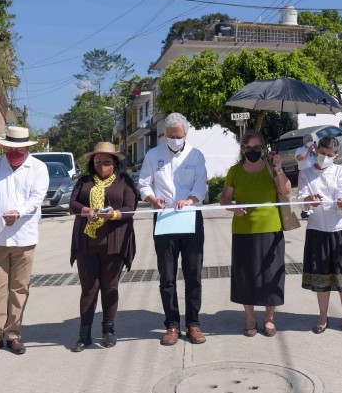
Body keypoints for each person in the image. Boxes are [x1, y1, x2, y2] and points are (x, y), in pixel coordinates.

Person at [0, 126, 49, 357]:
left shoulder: (38, 168)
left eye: (19, 148)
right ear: (5, 146)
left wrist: (18, 212)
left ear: (27, 147)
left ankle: (14, 333)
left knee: (19, 288)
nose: (14, 152)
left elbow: (37, 198)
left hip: (24, 237)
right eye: (10, 148)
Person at [138, 113, 208, 345]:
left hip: (190, 218)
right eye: (171, 136)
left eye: (179, 136)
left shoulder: (196, 155)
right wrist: (151, 199)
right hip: (164, 218)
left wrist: (189, 200)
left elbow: (201, 185)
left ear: (185, 134)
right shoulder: (153, 155)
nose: (175, 140)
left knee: (193, 275)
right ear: (164, 135)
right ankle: (172, 325)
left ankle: (193, 324)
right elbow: (144, 184)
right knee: (167, 276)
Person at [219, 130, 290, 337]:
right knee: (246, 276)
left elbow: (286, 191)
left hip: (271, 228)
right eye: (248, 148)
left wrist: (279, 169)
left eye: (257, 148)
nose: (252, 151)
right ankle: (250, 318)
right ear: (242, 149)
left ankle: (269, 319)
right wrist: (233, 209)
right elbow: (224, 198)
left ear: (264, 148)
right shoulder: (234, 171)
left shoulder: (270, 168)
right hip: (243, 230)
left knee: (271, 276)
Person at [68, 142, 138, 352]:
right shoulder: (84, 181)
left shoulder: (124, 181)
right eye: (98, 161)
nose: (102, 166)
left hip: (114, 241)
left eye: (107, 162)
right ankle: (85, 333)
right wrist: (86, 209)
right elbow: (72, 204)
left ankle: (108, 329)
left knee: (110, 287)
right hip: (86, 242)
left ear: (115, 163)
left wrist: (114, 214)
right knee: (89, 289)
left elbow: (130, 208)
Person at [299, 137, 342, 334]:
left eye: (329, 155)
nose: (325, 158)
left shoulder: (341, 171)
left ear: (336, 156)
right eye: (322, 153)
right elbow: (302, 196)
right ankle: (322, 316)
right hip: (317, 228)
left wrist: (341, 201)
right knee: (322, 277)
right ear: (315, 151)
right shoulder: (305, 173)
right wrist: (309, 199)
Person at [295, 133, 316, 220]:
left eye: (311, 140)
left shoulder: (314, 151)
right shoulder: (300, 149)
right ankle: (305, 211)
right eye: (308, 141)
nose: (309, 142)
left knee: (313, 191)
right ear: (304, 141)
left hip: (314, 173)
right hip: (303, 174)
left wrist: (315, 150)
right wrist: (308, 150)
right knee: (304, 192)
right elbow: (299, 158)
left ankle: (313, 209)